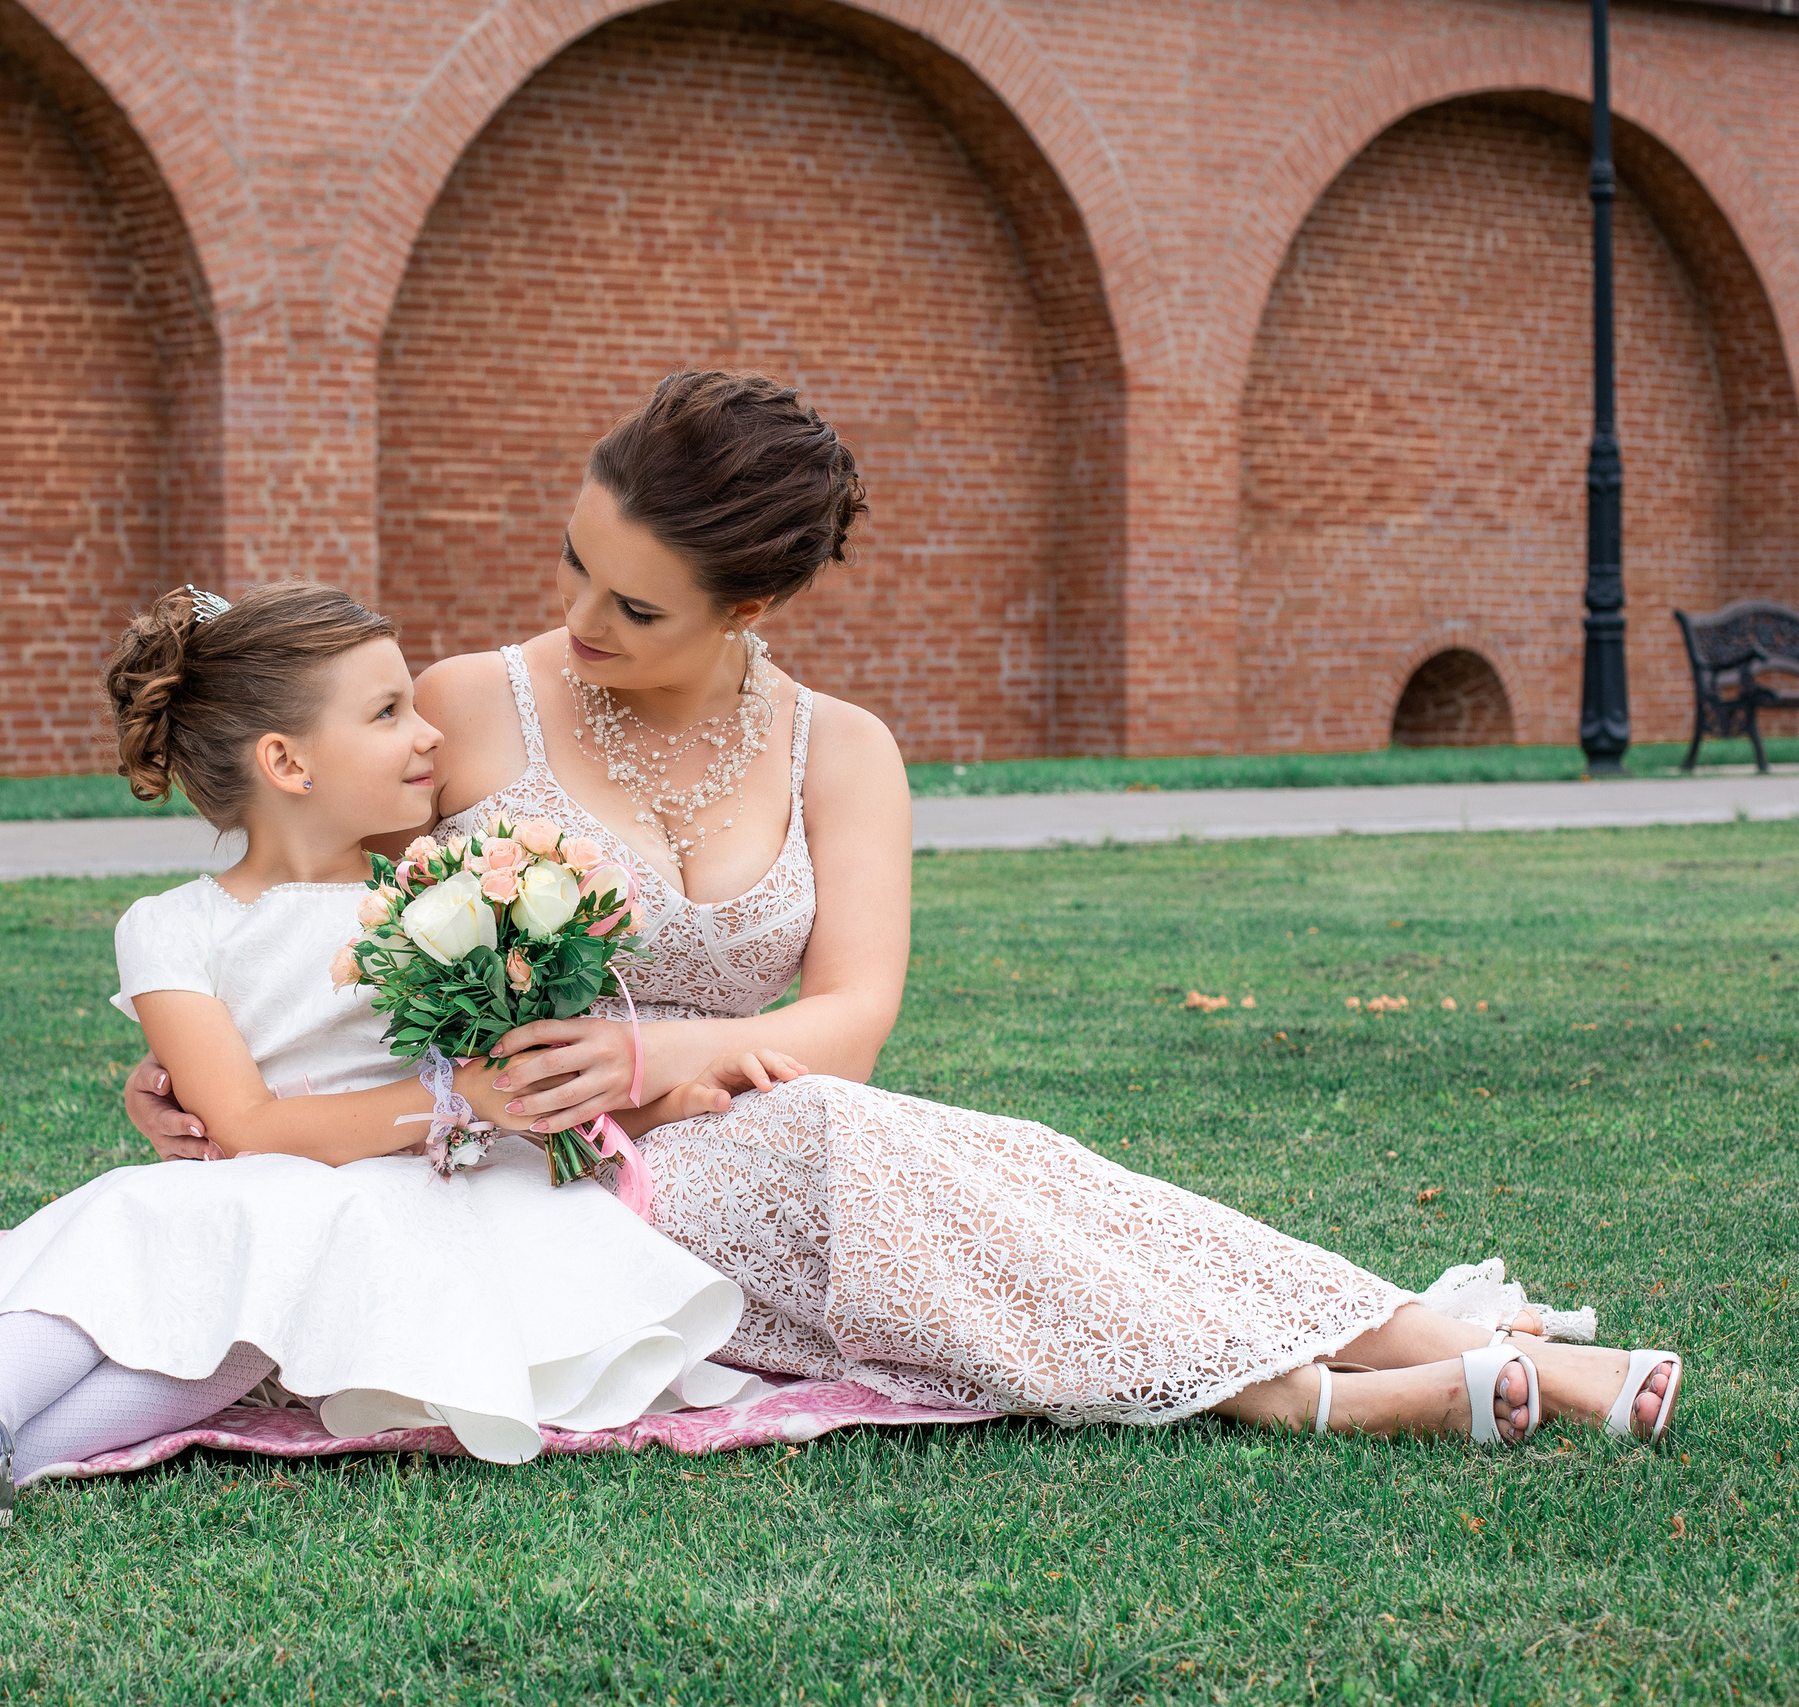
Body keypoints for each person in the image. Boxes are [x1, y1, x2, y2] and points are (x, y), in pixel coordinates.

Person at [127, 371, 1682, 1447]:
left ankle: (1386, 1354)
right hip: (536, 1177)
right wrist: (197, 1078)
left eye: (637, 603)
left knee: (938, 1148)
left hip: (766, 1130)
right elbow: (299, 900)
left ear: (754, 607)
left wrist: (648, 1063)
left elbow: (847, 1023)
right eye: (576, 568)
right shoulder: (467, 707)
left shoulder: (842, 751)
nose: (580, 622)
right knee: (852, 1144)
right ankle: (1372, 1364)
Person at [0, 582, 771, 1526]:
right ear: (285, 762)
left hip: (409, 1200)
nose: (428, 734)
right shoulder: (174, 927)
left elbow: (523, 1074)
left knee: (239, 1330)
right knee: (138, 1227)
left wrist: (658, 1095)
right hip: (260, 1182)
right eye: (386, 714)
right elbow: (243, 1127)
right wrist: (464, 1104)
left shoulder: (448, 894)